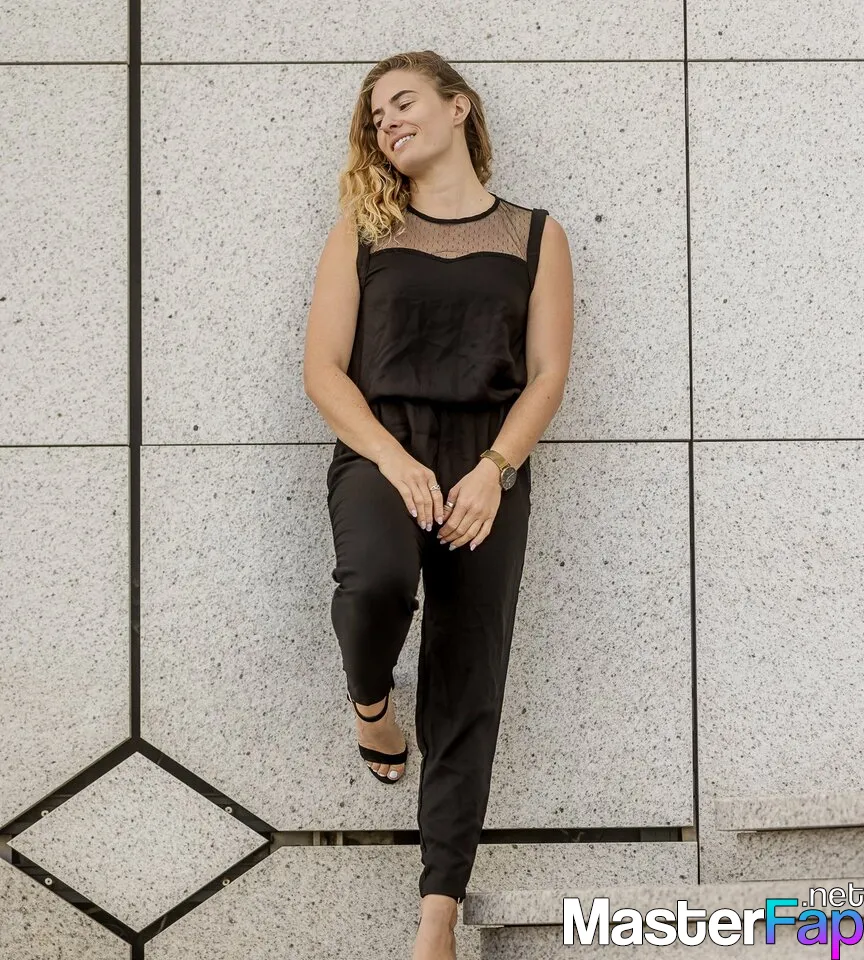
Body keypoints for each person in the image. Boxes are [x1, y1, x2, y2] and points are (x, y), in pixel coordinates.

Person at [303, 50, 573, 960]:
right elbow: (322, 371)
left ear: (460, 108)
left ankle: (436, 916)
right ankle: (372, 702)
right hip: (381, 446)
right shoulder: (363, 229)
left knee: (468, 678)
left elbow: (548, 375)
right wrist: (393, 459)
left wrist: (495, 469)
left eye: (403, 102)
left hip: (488, 462)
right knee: (375, 584)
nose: (387, 122)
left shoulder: (536, 235)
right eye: (376, 116)